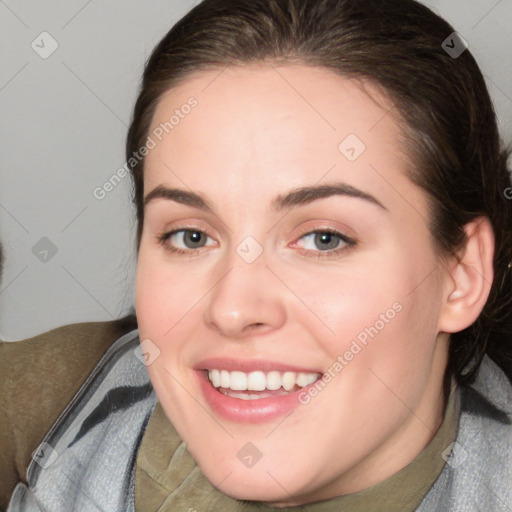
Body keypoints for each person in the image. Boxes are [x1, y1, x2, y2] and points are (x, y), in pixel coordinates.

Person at [2, 0, 511, 510]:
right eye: (191, 236)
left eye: (323, 239)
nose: (233, 309)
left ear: (461, 275)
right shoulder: (56, 398)